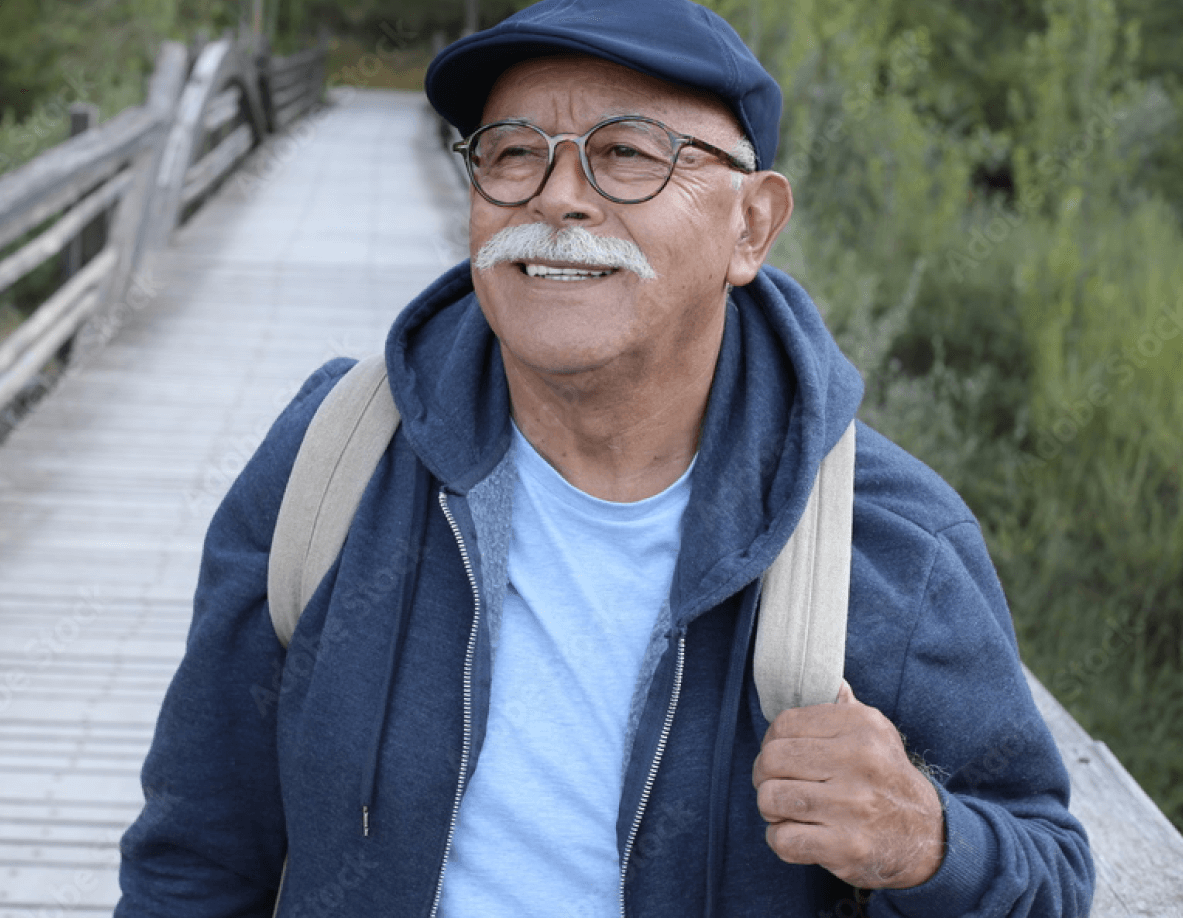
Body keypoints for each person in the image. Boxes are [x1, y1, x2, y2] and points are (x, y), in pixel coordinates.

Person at [114, 0, 1095, 915]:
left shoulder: (887, 542)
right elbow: (195, 851)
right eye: (510, 154)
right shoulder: (331, 459)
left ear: (749, 224)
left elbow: (1049, 869)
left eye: (628, 154)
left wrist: (928, 841)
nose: (558, 198)